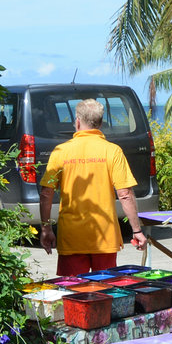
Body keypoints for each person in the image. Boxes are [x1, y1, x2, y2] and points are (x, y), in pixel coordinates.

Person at [38, 98, 147, 275]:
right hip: (104, 236)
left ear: (78, 121)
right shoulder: (112, 151)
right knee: (104, 292)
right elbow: (125, 194)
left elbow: (46, 193)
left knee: (74, 293)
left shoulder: (61, 151)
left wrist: (45, 228)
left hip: (72, 236)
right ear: (100, 123)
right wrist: (137, 230)